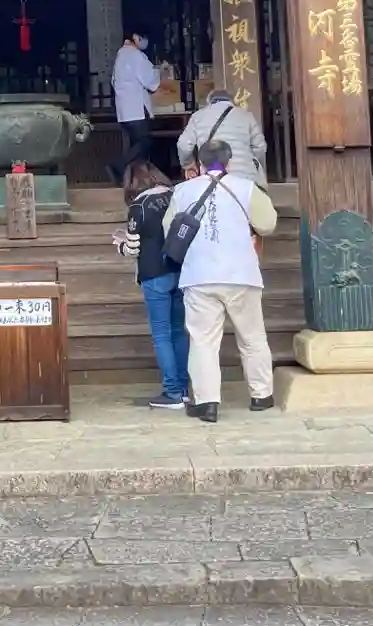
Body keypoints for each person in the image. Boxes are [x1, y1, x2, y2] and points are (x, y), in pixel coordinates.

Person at [164, 137, 278, 423]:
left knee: (203, 341)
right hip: (242, 274)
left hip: (200, 275)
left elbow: (169, 230)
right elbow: (268, 224)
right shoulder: (247, 188)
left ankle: (207, 403)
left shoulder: (182, 191)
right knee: (252, 337)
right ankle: (262, 395)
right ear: (230, 161)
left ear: (199, 163)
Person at [119, 158, 190, 410]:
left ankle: (172, 392)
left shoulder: (139, 206)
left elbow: (132, 248)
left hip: (153, 273)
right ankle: (184, 388)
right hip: (180, 269)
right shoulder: (177, 195)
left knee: (161, 334)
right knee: (179, 331)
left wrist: (119, 245)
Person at [177, 87, 267, 185]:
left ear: (209, 102)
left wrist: (189, 165)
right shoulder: (246, 115)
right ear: (231, 101)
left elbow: (183, 145)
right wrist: (256, 166)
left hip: (213, 177)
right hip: (246, 176)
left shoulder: (198, 116)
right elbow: (260, 147)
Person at [110, 29, 160, 174]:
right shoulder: (136, 56)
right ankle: (119, 167)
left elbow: (113, 82)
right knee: (145, 142)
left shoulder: (120, 55)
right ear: (136, 37)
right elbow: (150, 80)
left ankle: (134, 178)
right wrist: (159, 71)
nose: (145, 42)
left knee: (137, 146)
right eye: (144, 38)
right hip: (137, 109)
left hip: (124, 111)